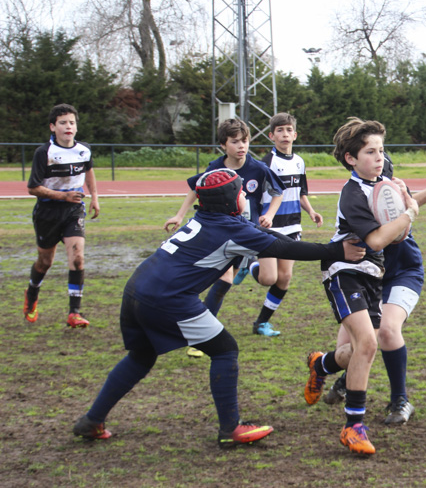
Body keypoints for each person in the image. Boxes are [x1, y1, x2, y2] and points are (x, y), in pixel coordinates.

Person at [72, 168, 365, 447]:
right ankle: (230, 428)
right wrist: (336, 251)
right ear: (230, 200)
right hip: (168, 299)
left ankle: (92, 420)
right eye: (240, 192)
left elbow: (269, 238)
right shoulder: (229, 228)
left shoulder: (210, 218)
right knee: (225, 350)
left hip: (136, 288)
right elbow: (282, 249)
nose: (244, 196)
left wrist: (329, 249)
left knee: (140, 357)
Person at [307, 155, 426, 427]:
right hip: (366, 278)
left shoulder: (393, 199)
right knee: (349, 351)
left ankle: (400, 399)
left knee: (387, 331)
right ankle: (326, 367)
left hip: (402, 273)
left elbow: (407, 204)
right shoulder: (357, 199)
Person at [304, 118, 418, 455]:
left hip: (373, 275)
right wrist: (410, 213)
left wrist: (404, 207)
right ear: (352, 158)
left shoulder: (384, 184)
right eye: (370, 151)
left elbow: (400, 235)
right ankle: (353, 426)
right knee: (369, 343)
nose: (379, 157)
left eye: (381, 150)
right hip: (344, 272)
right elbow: (379, 238)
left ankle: (321, 365)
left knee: (354, 352)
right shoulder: (353, 193)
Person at [164, 118, 284, 352]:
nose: (241, 146)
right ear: (223, 145)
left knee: (269, 279)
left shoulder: (259, 168)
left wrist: (269, 214)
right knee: (224, 280)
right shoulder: (216, 167)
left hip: (251, 232)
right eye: (235, 141)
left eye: (245, 140)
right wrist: (179, 215)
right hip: (223, 233)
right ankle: (201, 338)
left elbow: (277, 192)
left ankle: (252, 267)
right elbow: (195, 189)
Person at [235, 112, 323, 338]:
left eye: (288, 130)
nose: (285, 134)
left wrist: (311, 211)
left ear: (295, 134)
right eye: (280, 131)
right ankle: (249, 263)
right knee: (268, 279)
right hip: (270, 227)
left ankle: (261, 323)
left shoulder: (300, 162)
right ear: (271, 135)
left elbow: (301, 192)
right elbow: (252, 194)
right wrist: (258, 218)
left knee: (284, 277)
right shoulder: (265, 163)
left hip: (293, 226)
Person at [23, 103, 100, 328]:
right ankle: (32, 294)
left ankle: (74, 313)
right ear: (53, 127)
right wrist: (61, 196)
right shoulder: (44, 152)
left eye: (72, 123)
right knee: (45, 262)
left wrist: (95, 196)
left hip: (73, 210)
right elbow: (32, 188)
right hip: (47, 212)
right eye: (63, 123)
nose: (68, 126)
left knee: (77, 257)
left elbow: (89, 171)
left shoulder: (84, 150)